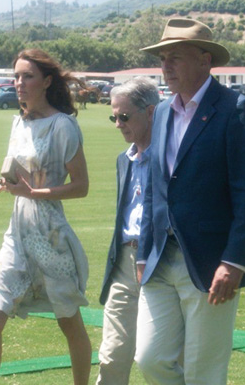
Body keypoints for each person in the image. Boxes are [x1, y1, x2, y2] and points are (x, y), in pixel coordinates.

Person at [135, 18, 245, 385]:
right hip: (161, 259)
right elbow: (154, 186)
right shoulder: (161, 111)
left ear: (205, 60)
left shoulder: (236, 110)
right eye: (162, 58)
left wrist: (234, 261)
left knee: (203, 371)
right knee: (149, 358)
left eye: (175, 57)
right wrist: (144, 252)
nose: (166, 66)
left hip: (211, 263)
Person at [0, 49, 92, 385]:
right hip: (17, 234)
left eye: (27, 76)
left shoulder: (63, 126)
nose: (19, 83)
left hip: (51, 237)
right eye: (16, 76)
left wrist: (33, 193)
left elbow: (81, 186)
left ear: (47, 81)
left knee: (69, 321)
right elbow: (20, 178)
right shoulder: (19, 122)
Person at [97, 78, 159, 384]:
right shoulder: (124, 160)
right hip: (124, 263)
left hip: (160, 264)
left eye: (124, 117)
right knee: (111, 356)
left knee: (157, 358)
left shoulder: (172, 157)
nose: (118, 124)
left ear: (150, 112)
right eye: (114, 118)